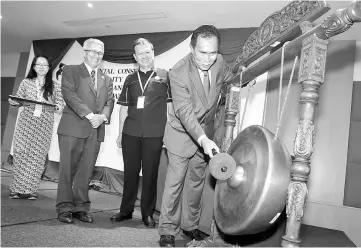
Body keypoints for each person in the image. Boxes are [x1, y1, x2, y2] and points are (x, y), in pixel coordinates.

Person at [158, 25, 240, 247]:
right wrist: (203, 139)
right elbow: (184, 112)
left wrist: (242, 80)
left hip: (206, 135)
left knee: (195, 184)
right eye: (202, 52)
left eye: (212, 52)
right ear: (192, 48)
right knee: (174, 185)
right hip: (181, 134)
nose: (208, 58)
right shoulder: (177, 72)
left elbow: (229, 78)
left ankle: (190, 226)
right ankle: (167, 230)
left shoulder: (219, 62)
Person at [110, 38, 172, 228]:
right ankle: (125, 211)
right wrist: (120, 133)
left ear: (153, 53)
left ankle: (147, 213)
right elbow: (122, 109)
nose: (144, 56)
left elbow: (170, 107)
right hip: (131, 133)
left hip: (155, 134)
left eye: (147, 52)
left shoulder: (165, 76)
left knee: (150, 174)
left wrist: (168, 133)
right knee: (130, 173)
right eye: (140, 53)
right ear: (135, 57)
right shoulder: (130, 79)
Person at [56, 38, 114, 224]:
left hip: (95, 131)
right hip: (72, 128)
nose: (97, 55)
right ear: (85, 52)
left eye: (100, 53)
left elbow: (109, 102)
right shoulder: (71, 70)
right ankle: (65, 208)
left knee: (86, 171)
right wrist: (91, 116)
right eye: (93, 51)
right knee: (67, 170)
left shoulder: (107, 78)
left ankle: (81, 208)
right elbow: (69, 94)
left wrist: (102, 117)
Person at [8, 55, 65, 200]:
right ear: (33, 67)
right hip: (25, 123)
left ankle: (31, 190)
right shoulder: (26, 82)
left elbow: (60, 106)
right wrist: (14, 101)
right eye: (38, 64)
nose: (41, 67)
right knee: (21, 154)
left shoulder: (55, 85)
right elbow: (19, 99)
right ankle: (16, 189)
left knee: (37, 157)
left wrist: (59, 107)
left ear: (49, 68)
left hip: (44, 126)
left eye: (45, 65)